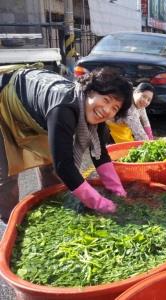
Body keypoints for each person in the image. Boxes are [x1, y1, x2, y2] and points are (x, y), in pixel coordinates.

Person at [0, 65, 133, 223]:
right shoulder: (63, 108)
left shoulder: (95, 114)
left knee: (50, 163)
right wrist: (100, 204)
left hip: (35, 109)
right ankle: (11, 221)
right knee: (7, 170)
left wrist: (119, 193)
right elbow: (64, 166)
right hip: (5, 98)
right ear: (90, 90)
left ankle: (53, 204)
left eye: (114, 108)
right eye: (106, 100)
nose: (106, 110)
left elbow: (99, 154)